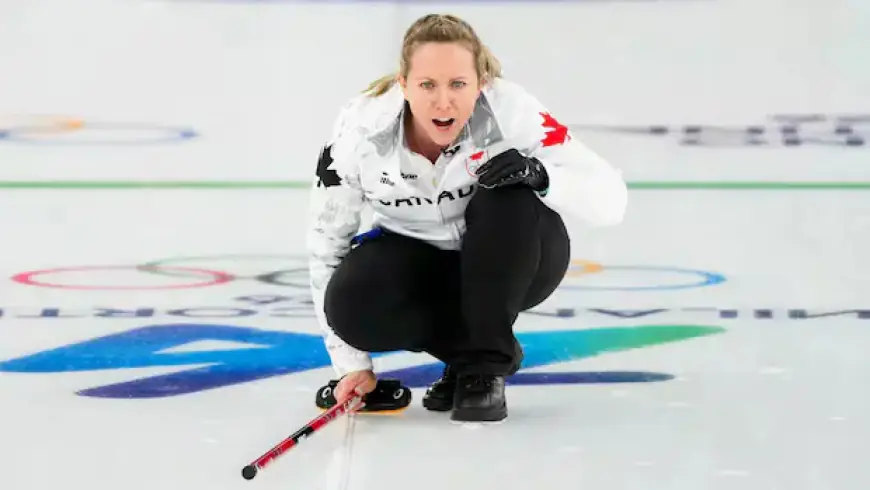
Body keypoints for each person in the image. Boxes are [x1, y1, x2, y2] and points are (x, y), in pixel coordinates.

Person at [307, 13, 627, 423]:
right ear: (403, 84)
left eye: (459, 84)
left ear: (481, 84)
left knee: (504, 195)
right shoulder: (358, 133)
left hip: (518, 256)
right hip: (422, 267)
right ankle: (470, 355)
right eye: (427, 85)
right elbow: (325, 244)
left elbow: (611, 201)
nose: (444, 102)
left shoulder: (512, 110)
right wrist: (351, 366)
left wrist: (540, 176)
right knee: (350, 302)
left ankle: (483, 368)